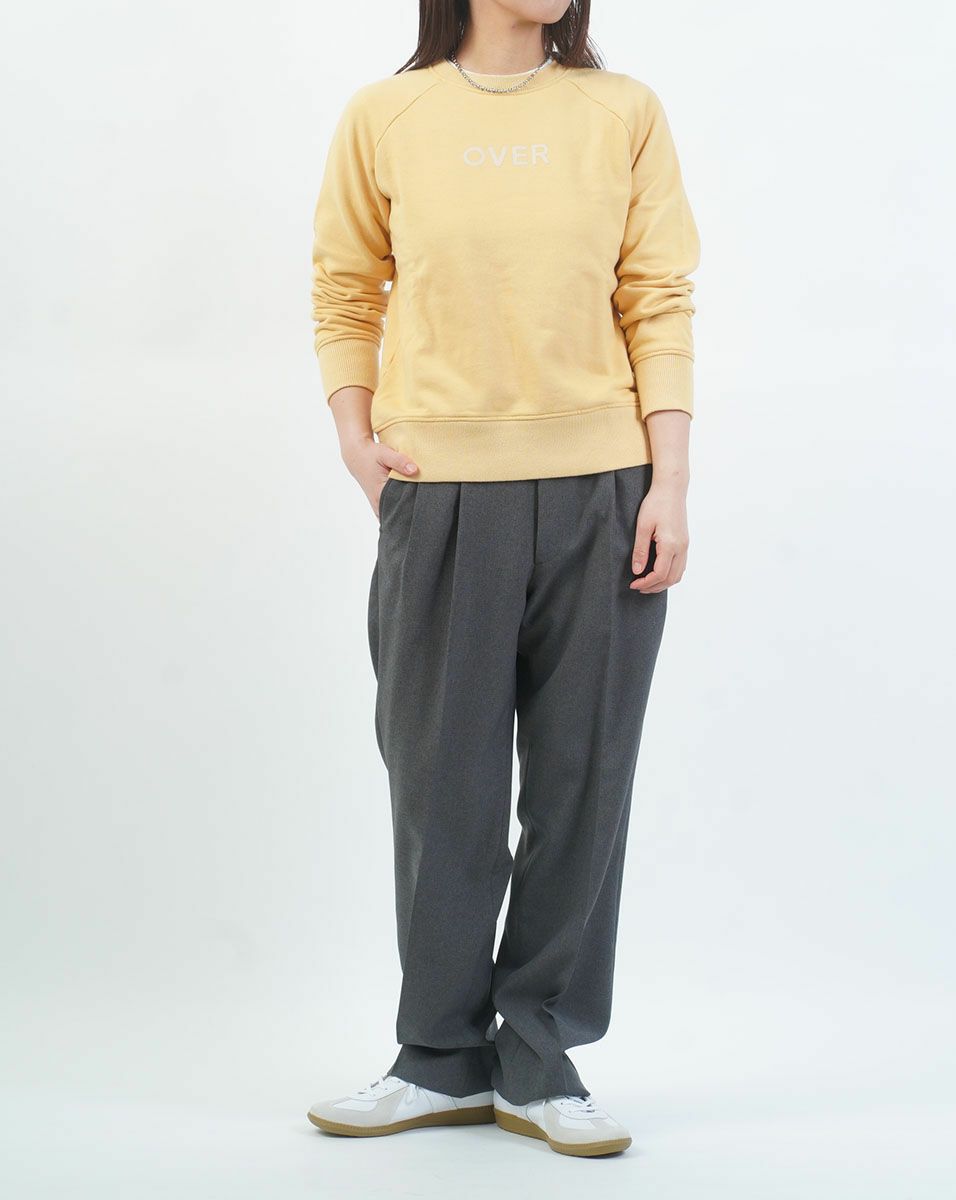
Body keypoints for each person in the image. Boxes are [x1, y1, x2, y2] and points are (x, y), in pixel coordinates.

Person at [305, 0, 699, 1159]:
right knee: (442, 785)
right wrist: (354, 438)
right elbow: (344, 287)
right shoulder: (385, 115)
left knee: (583, 781)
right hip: (439, 491)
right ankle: (436, 1059)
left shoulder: (622, 112)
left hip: (603, 490)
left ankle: (538, 1056)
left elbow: (657, 297)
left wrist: (669, 483)